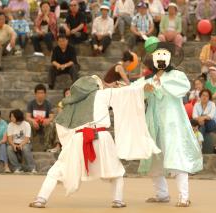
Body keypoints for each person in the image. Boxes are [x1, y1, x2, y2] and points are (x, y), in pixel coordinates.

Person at [29, 76, 161, 208]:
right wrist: (143, 88)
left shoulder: (71, 102)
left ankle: (41, 199)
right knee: (116, 171)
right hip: (101, 138)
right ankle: (118, 200)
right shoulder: (103, 94)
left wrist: (68, 144)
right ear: (95, 86)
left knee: (57, 170)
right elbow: (127, 93)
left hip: (78, 139)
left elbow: (61, 124)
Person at [138, 43, 203, 207]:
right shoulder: (150, 78)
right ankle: (162, 194)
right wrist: (141, 89)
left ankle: (183, 196)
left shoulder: (176, 75)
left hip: (172, 123)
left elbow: (184, 88)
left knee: (176, 157)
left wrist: (161, 83)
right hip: (154, 123)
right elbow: (139, 91)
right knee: (155, 160)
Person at [26, 84, 55, 151]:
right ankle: (29, 145)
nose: (40, 95)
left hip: (44, 124)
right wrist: (33, 121)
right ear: (35, 94)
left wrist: (47, 120)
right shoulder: (31, 103)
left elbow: (51, 117)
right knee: (28, 124)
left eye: (42, 93)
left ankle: (47, 146)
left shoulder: (48, 104)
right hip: (35, 125)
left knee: (51, 124)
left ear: (45, 94)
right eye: (38, 93)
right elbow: (27, 117)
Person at [7, 109, 37, 174]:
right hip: (14, 143)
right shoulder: (10, 125)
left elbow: (27, 138)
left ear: (17, 116)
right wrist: (13, 145)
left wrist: (21, 144)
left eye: (12, 116)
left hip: (25, 143)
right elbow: (9, 138)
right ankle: (17, 168)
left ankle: (32, 168)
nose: (11, 118)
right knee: (9, 148)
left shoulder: (26, 124)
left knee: (25, 148)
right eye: (11, 116)